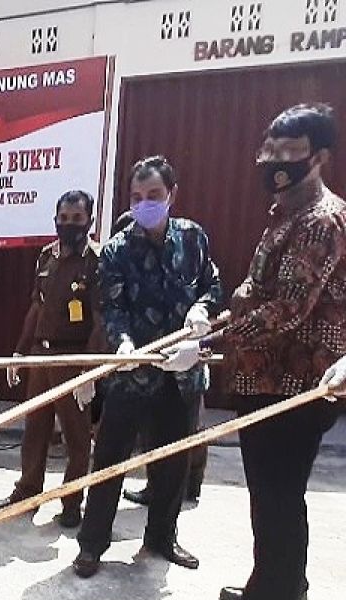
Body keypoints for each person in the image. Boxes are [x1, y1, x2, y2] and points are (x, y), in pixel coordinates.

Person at [190, 104, 346, 600]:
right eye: (270, 152)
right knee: (274, 494)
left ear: (320, 157)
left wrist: (212, 343)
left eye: (290, 153)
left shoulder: (320, 221)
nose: (276, 163)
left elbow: (288, 310)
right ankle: (281, 587)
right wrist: (220, 325)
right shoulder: (283, 212)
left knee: (277, 495)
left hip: (296, 382)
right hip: (265, 375)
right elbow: (257, 295)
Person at [73, 155, 223, 578]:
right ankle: (92, 545)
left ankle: (161, 537)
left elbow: (213, 285)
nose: (145, 204)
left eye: (153, 196)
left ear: (172, 195)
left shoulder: (193, 238)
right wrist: (121, 344)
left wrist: (201, 314)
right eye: (137, 197)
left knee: (172, 462)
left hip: (181, 370)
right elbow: (114, 307)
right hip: (133, 374)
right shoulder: (118, 250)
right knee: (109, 461)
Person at [0, 190, 102, 529]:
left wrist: (90, 370)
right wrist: (20, 352)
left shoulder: (96, 260)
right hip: (42, 354)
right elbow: (36, 307)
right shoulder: (45, 257)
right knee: (34, 429)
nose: (69, 225)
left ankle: (71, 502)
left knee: (76, 437)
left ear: (90, 221)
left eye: (76, 219)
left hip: (74, 356)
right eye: (63, 218)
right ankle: (27, 492)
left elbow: (100, 318)